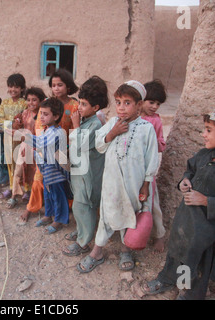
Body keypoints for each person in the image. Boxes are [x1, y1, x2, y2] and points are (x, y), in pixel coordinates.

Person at [142, 108, 215, 300]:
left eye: (209, 130)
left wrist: (207, 201)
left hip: (207, 230)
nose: (203, 134)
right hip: (187, 221)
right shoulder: (204, 155)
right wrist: (185, 180)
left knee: (197, 260)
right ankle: (169, 278)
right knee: (178, 251)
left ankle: (189, 293)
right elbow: (190, 170)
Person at [76, 80, 159, 273]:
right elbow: (98, 145)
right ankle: (96, 252)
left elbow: (151, 159)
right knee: (107, 215)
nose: (121, 108)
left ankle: (126, 250)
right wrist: (112, 133)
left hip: (134, 184)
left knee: (130, 215)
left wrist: (146, 185)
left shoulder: (146, 129)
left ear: (139, 105)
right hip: (112, 182)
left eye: (127, 103)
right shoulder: (113, 123)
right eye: (118, 102)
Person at [62, 76, 107, 256]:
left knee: (84, 206)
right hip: (79, 173)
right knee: (79, 206)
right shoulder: (86, 121)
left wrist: (74, 125)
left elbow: (79, 143)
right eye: (79, 102)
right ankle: (82, 231)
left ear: (95, 107)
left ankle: (84, 242)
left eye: (84, 104)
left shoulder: (94, 124)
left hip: (88, 175)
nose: (79, 107)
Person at [22, 97, 70, 234]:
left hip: (56, 172)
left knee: (58, 195)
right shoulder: (46, 130)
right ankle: (48, 215)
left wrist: (23, 136)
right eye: (41, 113)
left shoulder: (58, 132)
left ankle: (59, 220)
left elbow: (42, 144)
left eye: (46, 114)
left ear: (56, 116)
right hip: (46, 171)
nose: (41, 117)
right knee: (48, 194)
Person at [7, 87, 46, 209]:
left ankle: (36, 198)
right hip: (25, 146)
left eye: (34, 100)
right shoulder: (25, 113)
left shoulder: (43, 115)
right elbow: (19, 126)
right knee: (18, 170)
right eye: (28, 100)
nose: (31, 103)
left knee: (35, 173)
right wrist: (15, 125)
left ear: (41, 101)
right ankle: (14, 196)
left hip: (37, 148)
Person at [140, 79, 167, 252]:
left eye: (158, 104)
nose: (155, 106)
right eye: (152, 102)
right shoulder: (134, 118)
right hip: (132, 168)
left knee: (152, 203)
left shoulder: (155, 121)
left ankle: (160, 235)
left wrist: (152, 141)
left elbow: (161, 144)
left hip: (148, 170)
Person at [0, 73, 28, 199]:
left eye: (16, 87)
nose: (12, 90)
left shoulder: (24, 103)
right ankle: (11, 187)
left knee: (21, 163)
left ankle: (24, 189)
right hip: (7, 139)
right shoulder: (5, 103)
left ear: (22, 89)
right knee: (10, 164)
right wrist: (10, 123)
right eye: (10, 86)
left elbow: (25, 119)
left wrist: (17, 124)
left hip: (20, 139)